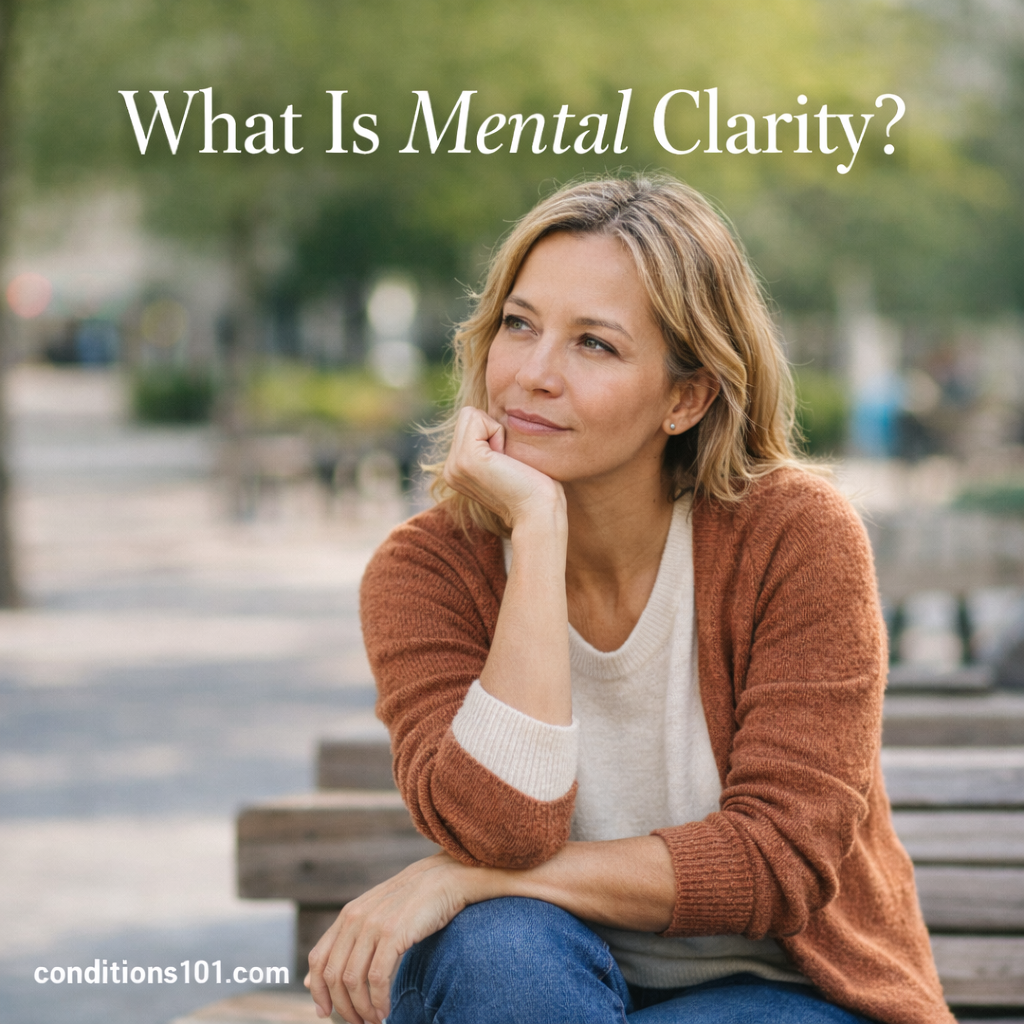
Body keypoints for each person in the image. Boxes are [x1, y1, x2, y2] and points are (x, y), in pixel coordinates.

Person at [305, 174, 953, 1024]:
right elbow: (500, 831)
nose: (532, 375)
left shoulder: (795, 536)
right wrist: (536, 534)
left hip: (787, 992)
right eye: (519, 325)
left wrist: (464, 879)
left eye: (594, 346)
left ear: (685, 398)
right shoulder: (428, 574)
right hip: (539, 980)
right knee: (497, 950)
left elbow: (779, 860)